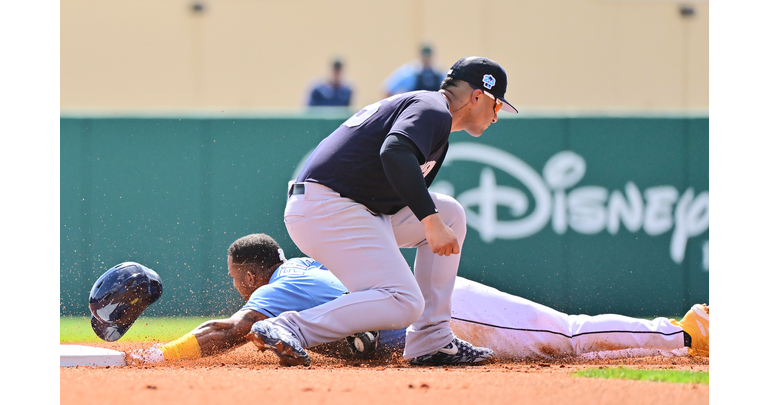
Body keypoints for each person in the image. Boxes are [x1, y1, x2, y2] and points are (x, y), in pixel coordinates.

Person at [249, 56, 521, 368]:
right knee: (404, 301)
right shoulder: (433, 109)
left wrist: (433, 219)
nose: (496, 116)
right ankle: (289, 327)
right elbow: (394, 152)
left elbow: (394, 183)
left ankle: (432, 340)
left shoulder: (433, 118)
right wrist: (429, 222)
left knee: (451, 214)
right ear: (476, 97)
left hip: (348, 206)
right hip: (327, 205)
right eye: (496, 106)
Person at [127, 233, 709, 365]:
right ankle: (674, 345)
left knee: (566, 334)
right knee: (557, 351)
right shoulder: (303, 273)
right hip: (429, 321)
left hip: (445, 310)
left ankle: (686, 330)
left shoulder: (284, 285)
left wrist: (157, 358)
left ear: (248, 276)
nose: (238, 290)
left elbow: (227, 331)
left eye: (236, 281)